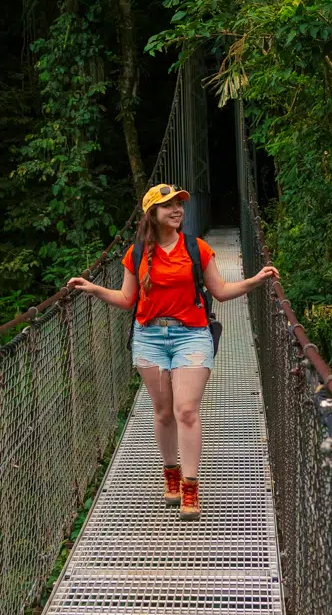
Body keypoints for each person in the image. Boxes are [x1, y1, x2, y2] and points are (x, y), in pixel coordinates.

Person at [67, 182, 278, 517]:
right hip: (149, 337)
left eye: (180, 204)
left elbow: (220, 291)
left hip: (191, 336)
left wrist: (255, 279)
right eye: (169, 206)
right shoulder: (136, 254)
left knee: (187, 410)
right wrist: (94, 289)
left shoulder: (196, 248)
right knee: (164, 412)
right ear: (152, 213)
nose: (177, 210)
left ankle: (190, 487)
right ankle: (171, 473)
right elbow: (127, 299)